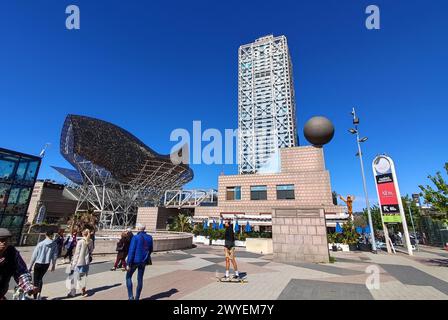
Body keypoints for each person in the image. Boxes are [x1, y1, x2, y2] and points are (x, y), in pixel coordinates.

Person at [0, 228, 37, 300]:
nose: (4, 242)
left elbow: (21, 271)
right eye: (1, 240)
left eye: (6, 240)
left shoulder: (12, 252)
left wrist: (28, 286)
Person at [126, 223, 153, 300]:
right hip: (143, 261)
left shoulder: (135, 237)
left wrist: (128, 263)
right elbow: (151, 249)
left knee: (128, 277)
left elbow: (131, 251)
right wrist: (145, 257)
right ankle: (137, 298)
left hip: (134, 261)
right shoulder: (149, 237)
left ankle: (131, 297)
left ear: (138, 229)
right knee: (140, 279)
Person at [29, 231, 58, 299]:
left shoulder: (41, 244)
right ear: (52, 235)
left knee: (36, 279)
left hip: (38, 263)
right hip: (46, 264)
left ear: (45, 235)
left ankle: (35, 296)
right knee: (40, 279)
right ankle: (39, 293)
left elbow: (34, 255)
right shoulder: (54, 244)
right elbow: (55, 255)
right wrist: (53, 265)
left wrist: (30, 266)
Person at [68, 229, 94, 298]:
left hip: (79, 262)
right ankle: (83, 291)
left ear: (83, 234)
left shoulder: (80, 242)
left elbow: (77, 253)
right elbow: (91, 250)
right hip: (86, 262)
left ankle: (72, 292)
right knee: (83, 278)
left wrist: (73, 263)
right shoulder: (90, 241)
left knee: (74, 278)